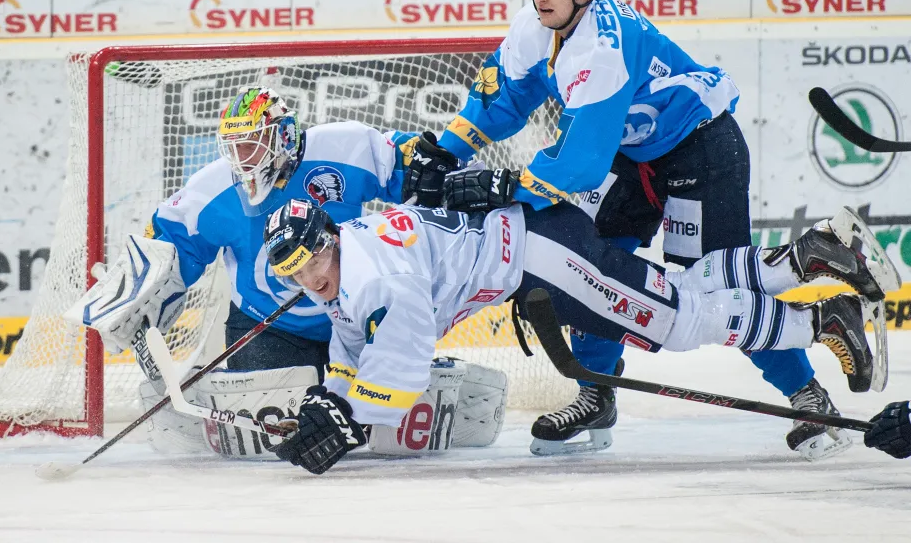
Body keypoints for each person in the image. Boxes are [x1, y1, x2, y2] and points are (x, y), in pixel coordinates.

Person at [402, 0, 901, 460]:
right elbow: (504, 96)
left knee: (722, 290)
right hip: (632, 155)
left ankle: (807, 391)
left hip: (698, 149)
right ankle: (595, 393)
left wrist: (504, 185)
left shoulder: (600, 50)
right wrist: (445, 150)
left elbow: (579, 163)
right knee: (584, 267)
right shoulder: (535, 28)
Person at [264, 198, 887, 474]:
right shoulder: (347, 265)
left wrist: (342, 413)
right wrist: (333, 398)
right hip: (534, 254)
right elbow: (354, 346)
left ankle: (821, 320)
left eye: (313, 262)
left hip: (543, 259)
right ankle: (806, 256)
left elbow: (399, 380)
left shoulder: (380, 277)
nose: (312, 281)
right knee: (681, 293)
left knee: (676, 321)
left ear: (330, 240)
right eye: (295, 273)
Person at [65, 85, 441, 457]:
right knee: (281, 436)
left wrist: (443, 189)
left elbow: (422, 166)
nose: (240, 157)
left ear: (284, 134)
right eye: (233, 146)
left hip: (353, 318)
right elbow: (169, 244)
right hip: (270, 326)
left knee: (382, 417)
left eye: (251, 143)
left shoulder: (346, 147)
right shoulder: (211, 188)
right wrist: (139, 290)